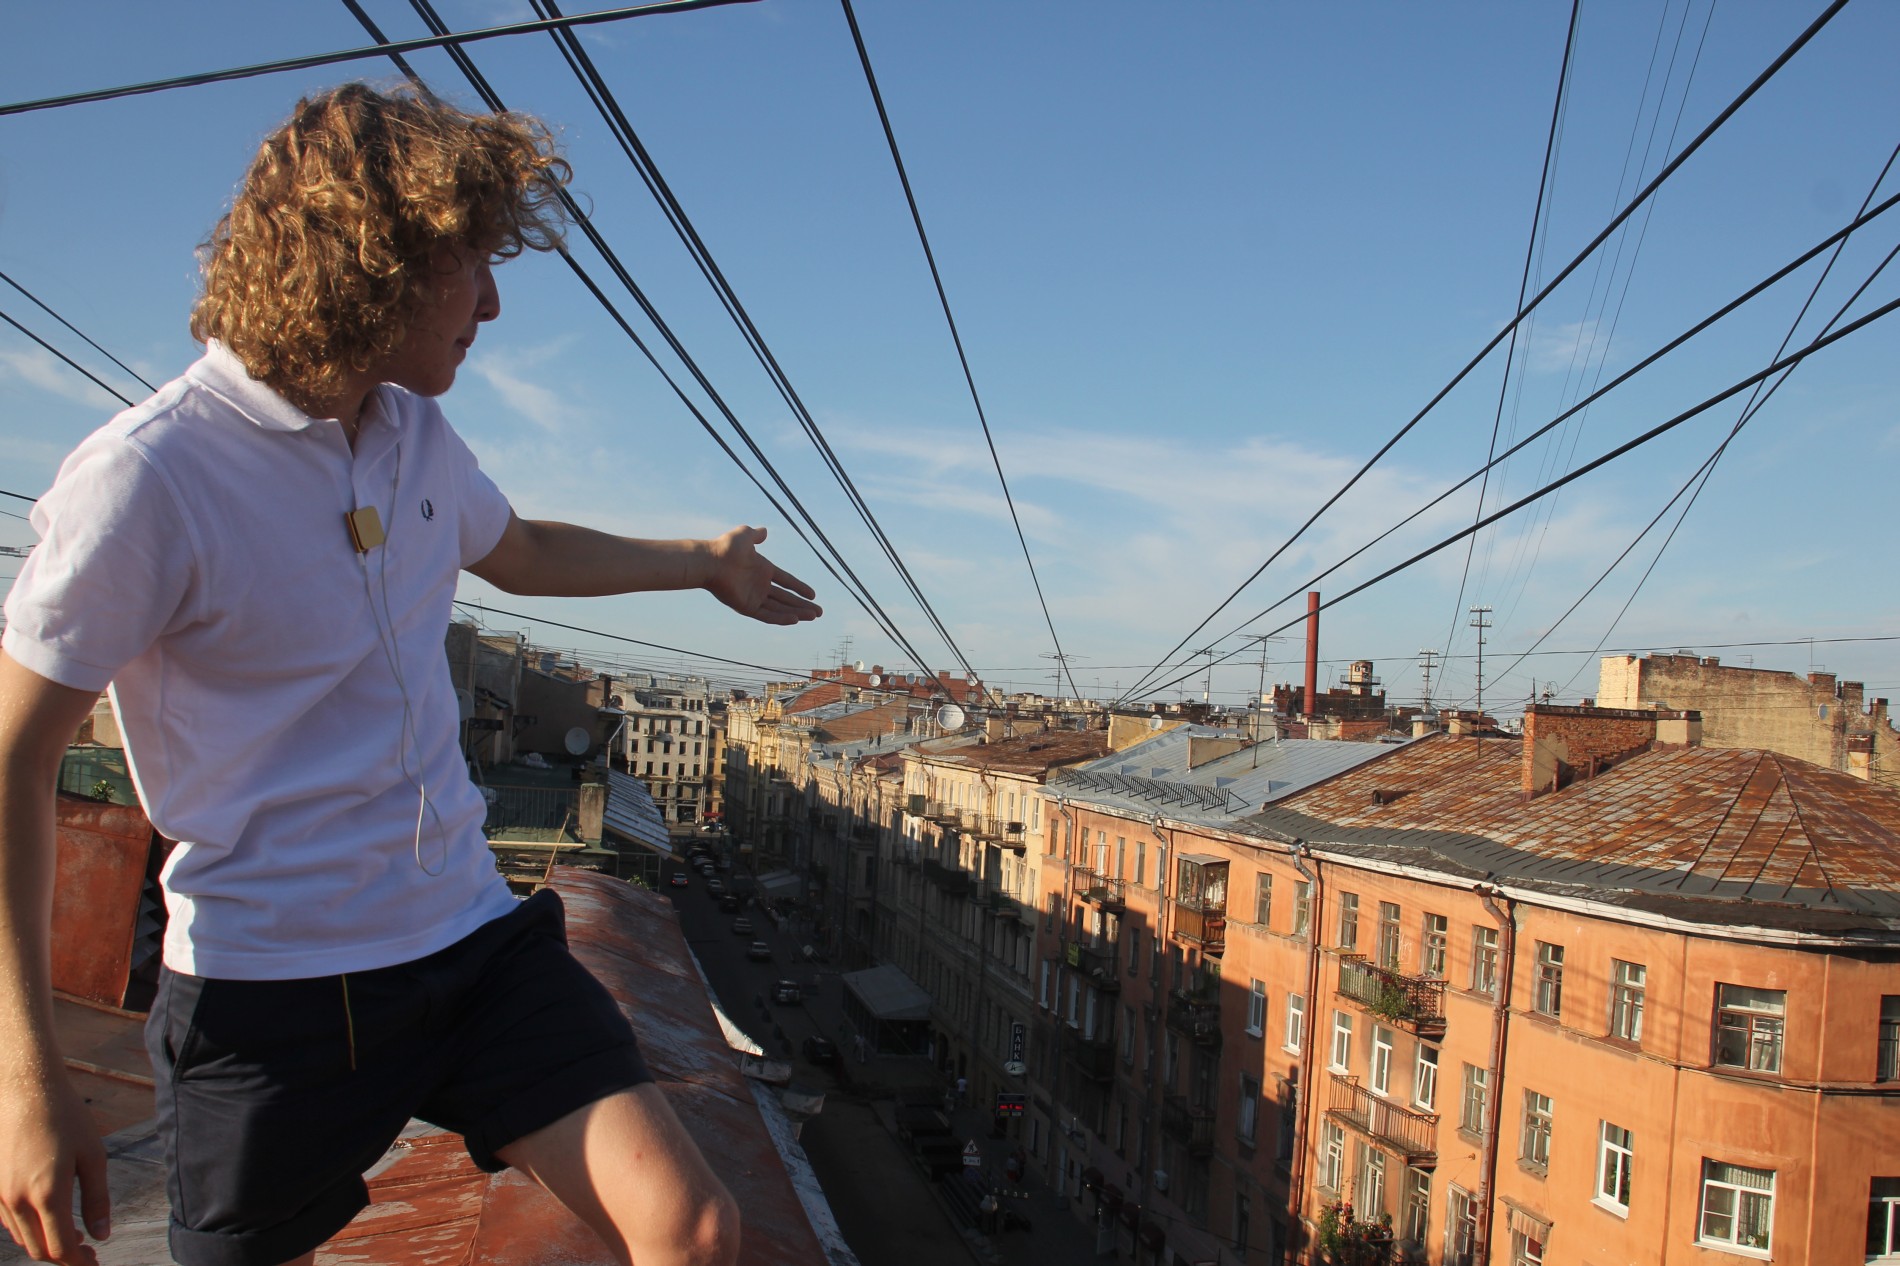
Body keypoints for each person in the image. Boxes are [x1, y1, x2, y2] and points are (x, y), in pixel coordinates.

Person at [0, 83, 820, 1266]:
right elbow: (16, 761)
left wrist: (701, 565)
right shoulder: (147, 479)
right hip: (270, 995)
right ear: (364, 265)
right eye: (470, 265)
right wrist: (24, 1082)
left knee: (693, 1230)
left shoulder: (410, 434)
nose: (491, 302)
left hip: (468, 943)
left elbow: (522, 550)